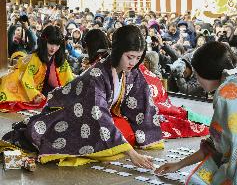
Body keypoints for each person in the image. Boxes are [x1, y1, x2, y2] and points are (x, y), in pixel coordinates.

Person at [1, 25, 163, 169]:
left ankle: (115, 143)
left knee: (126, 132)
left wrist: (145, 136)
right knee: (58, 138)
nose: (133, 63)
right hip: (72, 115)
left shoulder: (133, 72)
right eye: (129, 57)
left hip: (97, 117)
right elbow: (98, 116)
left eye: (137, 57)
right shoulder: (96, 75)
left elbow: (143, 103)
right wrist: (132, 154)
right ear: (118, 50)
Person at [155, 41, 237, 184]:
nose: (197, 79)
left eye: (197, 74)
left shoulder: (226, 94)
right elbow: (217, 145)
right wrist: (178, 165)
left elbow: (225, 148)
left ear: (205, 71)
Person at [0, 25, 74, 112]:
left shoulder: (61, 61)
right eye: (50, 43)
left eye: (57, 44)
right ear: (44, 41)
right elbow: (25, 79)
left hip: (47, 94)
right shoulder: (34, 58)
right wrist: (35, 95)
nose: (53, 48)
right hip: (27, 89)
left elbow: (70, 81)